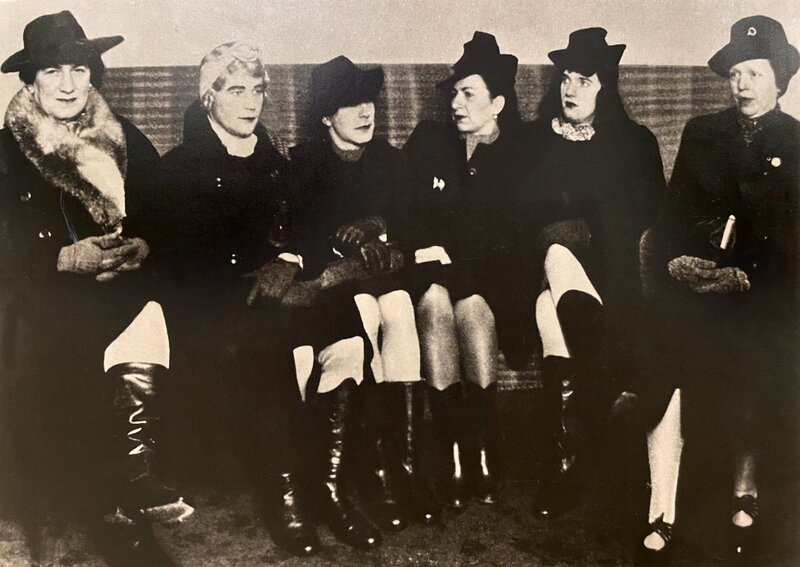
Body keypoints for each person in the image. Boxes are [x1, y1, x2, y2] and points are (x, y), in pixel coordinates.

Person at [0, 11, 192, 566]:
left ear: (93, 74)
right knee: (77, 339)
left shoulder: (121, 135)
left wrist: (142, 245)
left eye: (79, 70)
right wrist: (61, 257)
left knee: (153, 309)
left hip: (119, 287)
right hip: (38, 295)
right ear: (31, 81)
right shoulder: (7, 150)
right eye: (52, 71)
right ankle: (117, 511)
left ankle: (132, 479)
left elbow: (166, 215)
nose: (68, 84)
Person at [636, 15, 800, 564]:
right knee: (666, 358)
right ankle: (661, 507)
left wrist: (745, 274)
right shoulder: (701, 132)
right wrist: (679, 262)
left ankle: (744, 492)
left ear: (780, 80)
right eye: (735, 74)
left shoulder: (796, 141)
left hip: (765, 293)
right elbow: (670, 218)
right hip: (692, 287)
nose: (742, 85)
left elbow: (794, 240)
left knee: (756, 354)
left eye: (755, 73)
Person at [287, 55, 438, 529]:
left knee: (399, 308)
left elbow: (417, 222)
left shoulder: (391, 160)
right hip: (335, 285)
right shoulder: (302, 162)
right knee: (366, 314)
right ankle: (367, 468)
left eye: (369, 101)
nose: (366, 111)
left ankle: (401, 468)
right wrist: (346, 244)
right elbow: (299, 233)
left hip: (386, 276)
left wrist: (377, 225)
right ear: (326, 117)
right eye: (351, 104)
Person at [520, 28, 665, 518]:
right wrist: (554, 235)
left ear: (606, 86)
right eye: (565, 78)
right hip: (539, 265)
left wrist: (583, 228)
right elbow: (516, 214)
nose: (570, 89)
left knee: (550, 310)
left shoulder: (636, 143)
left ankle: (564, 465)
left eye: (584, 80)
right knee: (555, 256)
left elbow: (649, 216)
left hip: (612, 273)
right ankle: (607, 380)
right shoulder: (535, 140)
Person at [401, 31, 523, 510]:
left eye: (468, 94)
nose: (455, 103)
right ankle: (453, 452)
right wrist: (429, 250)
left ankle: (482, 450)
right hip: (430, 272)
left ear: (498, 104)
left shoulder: (519, 156)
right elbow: (406, 214)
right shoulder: (428, 142)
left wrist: (455, 255)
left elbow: (510, 240)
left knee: (471, 309)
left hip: (489, 280)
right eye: (454, 93)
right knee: (434, 303)